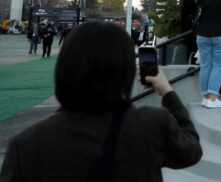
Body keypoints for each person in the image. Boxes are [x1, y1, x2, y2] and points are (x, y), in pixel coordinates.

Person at [0, 21, 202, 181]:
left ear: (64, 67)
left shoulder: (26, 144)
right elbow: (191, 151)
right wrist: (167, 91)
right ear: (126, 69)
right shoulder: (152, 125)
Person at [180, 0, 205, 64]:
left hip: (206, 31)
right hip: (192, 32)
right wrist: (184, 34)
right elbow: (184, 16)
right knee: (193, 54)